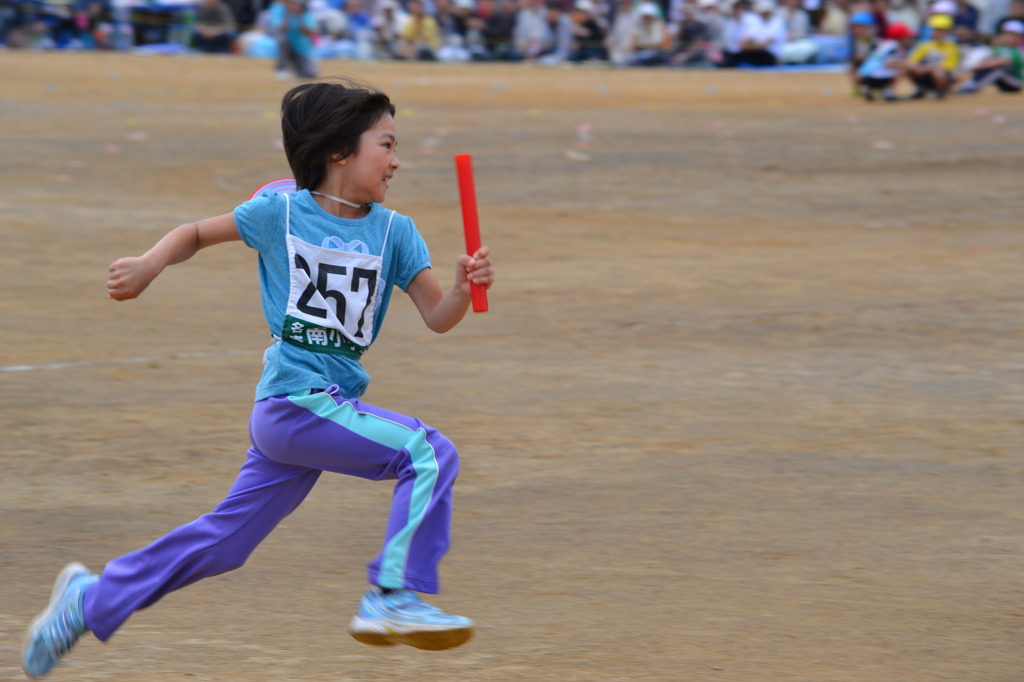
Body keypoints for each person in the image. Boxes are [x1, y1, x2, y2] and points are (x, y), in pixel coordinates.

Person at [20, 78, 496, 680]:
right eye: (388, 144)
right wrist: (148, 264)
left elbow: (437, 317)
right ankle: (394, 595)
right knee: (428, 452)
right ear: (339, 152)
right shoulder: (282, 212)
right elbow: (195, 233)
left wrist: (461, 287)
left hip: (320, 410)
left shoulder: (396, 232)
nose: (397, 160)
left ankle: (90, 601)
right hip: (294, 401)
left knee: (226, 543)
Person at [958, 19, 1023, 92]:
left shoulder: (1018, 51)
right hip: (1002, 81)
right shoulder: (1000, 49)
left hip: (1015, 83)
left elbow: (1003, 61)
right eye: (1006, 34)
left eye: (1012, 35)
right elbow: (988, 59)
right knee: (990, 67)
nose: (1008, 37)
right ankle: (972, 83)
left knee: (999, 69)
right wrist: (980, 66)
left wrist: (978, 66)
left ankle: (974, 86)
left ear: (1019, 37)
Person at [857, 20, 916, 100]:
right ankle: (889, 93)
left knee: (898, 66)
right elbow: (888, 63)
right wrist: (907, 64)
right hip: (875, 76)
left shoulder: (886, 44)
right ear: (900, 37)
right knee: (903, 68)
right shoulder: (894, 46)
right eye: (906, 36)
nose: (908, 38)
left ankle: (871, 89)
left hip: (864, 76)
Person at [905, 13, 960, 98]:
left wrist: (926, 69)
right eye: (937, 30)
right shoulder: (925, 45)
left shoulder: (952, 47)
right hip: (925, 74)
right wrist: (916, 67)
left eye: (942, 30)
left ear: (947, 31)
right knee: (907, 68)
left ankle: (941, 90)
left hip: (942, 76)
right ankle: (921, 88)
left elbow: (946, 67)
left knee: (938, 73)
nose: (939, 33)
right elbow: (911, 61)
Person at [267, 0, 318, 78]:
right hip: (286, 47)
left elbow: (308, 32)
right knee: (283, 40)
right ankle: (282, 68)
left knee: (308, 74)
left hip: (301, 49)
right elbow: (280, 29)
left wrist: (300, 16)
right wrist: (288, 14)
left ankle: (294, 67)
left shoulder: (305, 12)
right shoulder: (279, 9)